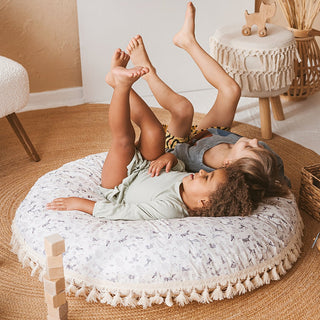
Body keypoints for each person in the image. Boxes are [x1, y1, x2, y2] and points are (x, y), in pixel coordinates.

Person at [46, 62, 256, 219]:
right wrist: (170, 159)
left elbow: (125, 212)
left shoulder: (170, 209)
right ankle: (117, 80)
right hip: (145, 166)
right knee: (155, 131)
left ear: (203, 202)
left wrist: (82, 204)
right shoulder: (190, 181)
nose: (201, 172)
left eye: (207, 178)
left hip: (120, 185)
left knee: (124, 140)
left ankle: (121, 86)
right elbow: (178, 166)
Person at [125, 2, 289, 191]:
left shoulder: (204, 160)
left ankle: (148, 72)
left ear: (228, 164)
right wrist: (279, 183)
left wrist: (168, 156)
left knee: (183, 108)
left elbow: (178, 156)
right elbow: (279, 176)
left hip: (178, 147)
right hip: (211, 135)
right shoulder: (265, 163)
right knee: (231, 90)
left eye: (249, 147)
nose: (255, 141)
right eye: (258, 146)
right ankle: (187, 41)